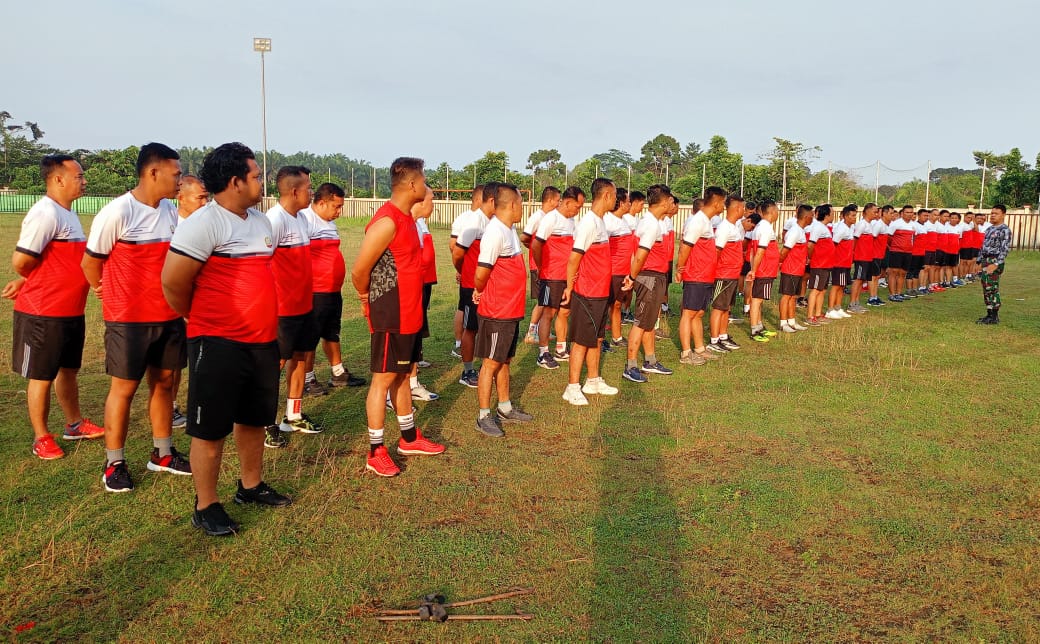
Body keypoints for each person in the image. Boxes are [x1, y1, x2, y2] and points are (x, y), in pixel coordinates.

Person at [162, 142, 292, 536]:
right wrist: (196, 317)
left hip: (261, 341)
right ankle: (206, 505)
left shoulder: (260, 222)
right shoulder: (204, 223)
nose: (261, 181)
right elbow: (173, 281)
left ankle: (249, 486)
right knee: (210, 428)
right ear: (235, 181)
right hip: (217, 342)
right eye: (255, 175)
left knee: (254, 419)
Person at [83, 142, 191, 491]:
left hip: (168, 317)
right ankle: (114, 462)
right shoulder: (117, 212)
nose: (179, 180)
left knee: (163, 384)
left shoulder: (170, 212)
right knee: (124, 389)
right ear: (153, 172)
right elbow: (90, 263)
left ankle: (162, 453)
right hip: (128, 320)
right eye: (175, 174)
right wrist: (104, 291)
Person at [351, 157, 445, 477]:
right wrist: (368, 300)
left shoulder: (407, 218)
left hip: (410, 313)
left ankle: (408, 438)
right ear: (410, 185)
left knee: (403, 376)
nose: (426, 184)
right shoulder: (388, 220)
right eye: (423, 179)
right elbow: (360, 270)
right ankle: (375, 450)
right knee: (383, 379)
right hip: (390, 313)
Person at [5, 155, 102, 460]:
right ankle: (41, 437)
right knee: (42, 376)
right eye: (79, 176)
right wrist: (27, 281)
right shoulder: (45, 214)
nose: (84, 181)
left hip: (70, 310)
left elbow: (57, 260)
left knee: (68, 371)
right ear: (58, 179)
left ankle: (74, 424)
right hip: (42, 312)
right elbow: (21, 260)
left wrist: (26, 280)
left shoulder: (67, 213)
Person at [262, 166, 322, 449]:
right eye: (309, 188)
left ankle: (293, 415)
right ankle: (265, 422)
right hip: (281, 310)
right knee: (275, 364)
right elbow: (261, 264)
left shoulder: (300, 219)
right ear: (295, 191)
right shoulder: (274, 220)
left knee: (300, 357)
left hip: (303, 306)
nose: (311, 192)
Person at [472, 183, 535, 436]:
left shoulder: (510, 230)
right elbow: (481, 272)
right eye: (521, 203)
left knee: (504, 360)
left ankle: (505, 407)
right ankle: (484, 415)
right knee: (490, 362)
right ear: (511, 205)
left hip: (511, 309)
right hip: (498, 311)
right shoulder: (495, 233)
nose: (523, 209)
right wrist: (479, 289)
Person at [300, 182, 366, 394]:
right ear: (321, 203)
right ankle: (308, 378)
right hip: (314, 291)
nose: (339, 212)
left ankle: (338, 372)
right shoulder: (305, 220)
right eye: (336, 207)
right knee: (310, 336)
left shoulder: (329, 223)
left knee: (332, 332)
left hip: (332, 290)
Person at [561, 178, 620, 405]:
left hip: (600, 291)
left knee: (596, 337)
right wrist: (569, 287)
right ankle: (572, 386)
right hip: (587, 292)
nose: (616, 199)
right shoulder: (588, 223)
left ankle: (593, 380)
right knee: (581, 341)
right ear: (606, 196)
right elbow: (574, 258)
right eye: (614, 196)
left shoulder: (600, 222)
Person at [621, 184, 674, 382]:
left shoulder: (655, 222)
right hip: (649, 277)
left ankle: (650, 361)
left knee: (649, 322)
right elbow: (640, 255)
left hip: (656, 276)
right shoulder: (651, 225)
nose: (672, 204)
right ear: (663, 202)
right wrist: (633, 278)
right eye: (670, 200)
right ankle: (631, 365)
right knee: (641, 322)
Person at [170, 175, 210, 429]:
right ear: (181, 198)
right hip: (178, 308)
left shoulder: (206, 224)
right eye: (200, 198)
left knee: (199, 360)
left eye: (207, 197)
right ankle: (171, 407)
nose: (205, 203)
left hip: (202, 307)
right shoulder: (173, 226)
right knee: (173, 363)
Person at [532, 186, 583, 369]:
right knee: (549, 313)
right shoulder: (550, 219)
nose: (578, 211)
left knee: (564, 312)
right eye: (577, 206)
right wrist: (541, 266)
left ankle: (561, 349)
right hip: (551, 275)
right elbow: (536, 245)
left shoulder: (572, 221)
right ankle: (543, 353)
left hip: (566, 276)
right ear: (568, 202)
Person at [452, 183, 497, 387]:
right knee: (470, 328)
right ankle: (468, 371)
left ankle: (486, 368)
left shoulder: (495, 222)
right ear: (491, 200)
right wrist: (464, 272)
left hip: (491, 285)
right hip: (472, 285)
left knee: (487, 327)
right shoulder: (473, 222)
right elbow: (458, 253)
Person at [676, 187, 725, 361]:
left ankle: (699, 348)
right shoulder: (698, 221)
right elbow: (685, 246)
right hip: (695, 275)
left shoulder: (705, 221)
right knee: (689, 313)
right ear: (717, 203)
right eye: (723, 203)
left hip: (705, 275)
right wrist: (680, 269)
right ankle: (686, 352)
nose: (723, 207)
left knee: (698, 313)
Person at [520, 186, 560, 345]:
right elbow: (524, 237)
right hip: (538, 265)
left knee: (547, 301)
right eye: (557, 200)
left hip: (548, 266)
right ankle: (531, 332)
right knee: (542, 301)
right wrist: (534, 250)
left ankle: (543, 330)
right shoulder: (538, 217)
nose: (558, 203)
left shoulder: (550, 216)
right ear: (549, 200)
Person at [707, 194, 746, 351]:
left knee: (726, 308)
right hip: (723, 275)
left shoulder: (733, 226)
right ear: (737, 208)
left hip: (732, 274)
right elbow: (716, 251)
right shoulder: (724, 227)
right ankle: (714, 340)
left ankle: (723, 336)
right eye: (743, 207)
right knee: (718, 307)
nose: (744, 210)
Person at [448, 186, 484, 358]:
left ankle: (464, 345)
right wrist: (461, 269)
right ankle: (459, 344)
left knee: (465, 309)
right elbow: (454, 247)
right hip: (470, 277)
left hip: (477, 278)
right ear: (479, 199)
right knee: (464, 309)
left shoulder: (487, 219)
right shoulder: (466, 219)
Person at [747, 199, 781, 340]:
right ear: (772, 212)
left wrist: (752, 267)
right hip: (764, 269)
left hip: (765, 269)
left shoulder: (760, 227)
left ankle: (759, 326)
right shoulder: (765, 228)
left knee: (759, 299)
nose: (778, 214)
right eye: (777, 211)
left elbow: (752, 252)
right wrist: (754, 270)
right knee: (757, 300)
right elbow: (760, 251)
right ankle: (755, 330)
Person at [604, 187, 633, 350]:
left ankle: (617, 336)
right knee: (607, 305)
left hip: (622, 271)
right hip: (612, 271)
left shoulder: (623, 220)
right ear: (621, 203)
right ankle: (599, 338)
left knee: (616, 304)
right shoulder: (608, 221)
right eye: (628, 201)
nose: (630, 203)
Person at [778, 206, 814, 333]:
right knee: (787, 296)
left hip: (798, 269)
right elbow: (784, 250)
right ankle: (783, 323)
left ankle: (792, 321)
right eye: (812, 215)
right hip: (790, 269)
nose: (813, 218)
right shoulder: (795, 231)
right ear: (805, 217)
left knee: (793, 297)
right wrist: (780, 263)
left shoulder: (801, 230)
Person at [976, 205, 1012, 324]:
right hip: (986, 260)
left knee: (992, 288)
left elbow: (1004, 249)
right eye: (991, 213)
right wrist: (979, 260)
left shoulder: (1004, 230)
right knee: (986, 287)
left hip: (994, 260)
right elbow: (983, 246)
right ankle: (989, 314)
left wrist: (996, 264)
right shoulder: (990, 229)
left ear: (1003, 215)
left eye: (996, 213)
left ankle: (994, 316)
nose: (992, 215)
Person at [805, 204, 835, 325]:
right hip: (819, 264)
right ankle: (809, 316)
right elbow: (810, 245)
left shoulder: (824, 227)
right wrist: (811, 257)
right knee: (816, 290)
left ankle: (817, 314)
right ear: (826, 215)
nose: (833, 215)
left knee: (822, 290)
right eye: (832, 213)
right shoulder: (818, 227)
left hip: (826, 264)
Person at [827, 204, 856, 316]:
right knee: (836, 286)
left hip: (846, 262)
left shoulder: (850, 228)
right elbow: (833, 244)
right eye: (852, 215)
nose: (854, 218)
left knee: (842, 285)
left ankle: (838, 307)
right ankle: (830, 310)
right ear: (846, 216)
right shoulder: (841, 229)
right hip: (839, 262)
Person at [848, 202, 875, 313]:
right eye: (874, 211)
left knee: (862, 280)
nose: (876, 213)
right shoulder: (862, 224)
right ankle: (851, 304)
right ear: (866, 212)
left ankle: (857, 302)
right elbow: (855, 239)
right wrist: (853, 254)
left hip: (868, 257)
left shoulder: (870, 225)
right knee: (858, 280)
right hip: (861, 257)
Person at [885, 205, 914, 302]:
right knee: (893, 273)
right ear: (902, 213)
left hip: (908, 252)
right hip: (896, 252)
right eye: (907, 212)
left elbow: (914, 238)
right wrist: (894, 246)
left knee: (902, 273)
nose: (909, 214)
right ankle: (892, 294)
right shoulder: (896, 224)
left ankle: (898, 293)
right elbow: (888, 237)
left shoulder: (913, 225)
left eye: (911, 212)